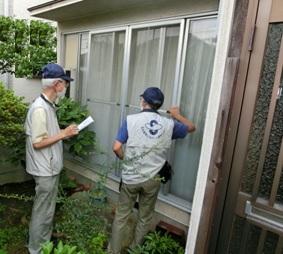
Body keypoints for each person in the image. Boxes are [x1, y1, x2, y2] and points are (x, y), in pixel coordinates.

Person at [109, 87, 196, 253]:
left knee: (121, 216)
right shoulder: (169, 125)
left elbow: (116, 147)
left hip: (131, 178)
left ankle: (113, 251)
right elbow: (191, 127)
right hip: (153, 179)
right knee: (144, 217)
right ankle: (135, 250)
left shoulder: (131, 120)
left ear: (143, 101)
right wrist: (176, 115)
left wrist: (126, 159)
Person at [25, 63, 79, 254]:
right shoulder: (40, 109)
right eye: (65, 83)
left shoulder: (48, 106)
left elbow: (48, 135)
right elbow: (38, 143)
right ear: (57, 84)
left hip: (47, 167)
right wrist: (63, 134)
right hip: (44, 169)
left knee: (46, 210)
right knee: (43, 212)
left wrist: (64, 132)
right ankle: (37, 249)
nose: (66, 87)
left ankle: (42, 244)